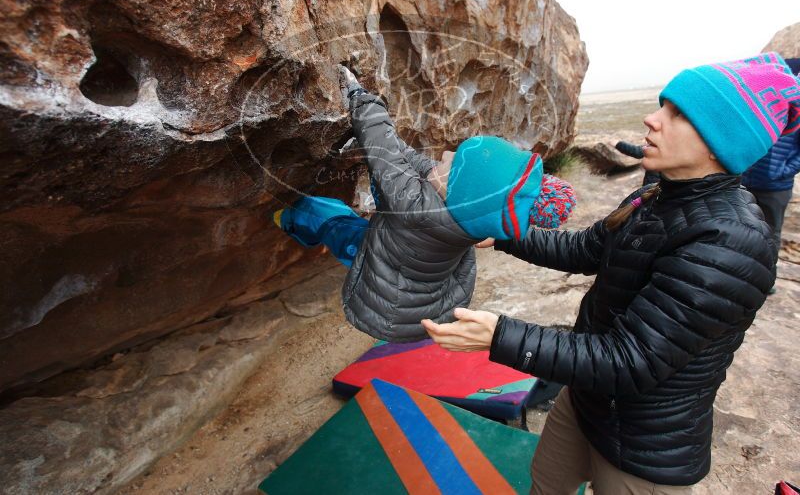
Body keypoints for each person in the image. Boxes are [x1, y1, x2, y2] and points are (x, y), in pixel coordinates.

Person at [423, 52, 800, 494]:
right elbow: (587, 247)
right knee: (545, 485)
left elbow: (630, 360)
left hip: (644, 448)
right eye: (663, 105)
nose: (652, 119)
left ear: (722, 140)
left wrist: (499, 336)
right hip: (586, 400)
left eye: (678, 114)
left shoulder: (731, 241)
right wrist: (505, 235)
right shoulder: (659, 195)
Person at [273, 66, 576, 343]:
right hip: (427, 296)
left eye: (452, 160)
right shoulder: (463, 209)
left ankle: (287, 217)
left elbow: (383, 148)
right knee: (395, 199)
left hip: (387, 306)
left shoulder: (416, 205)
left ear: (454, 188)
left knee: (331, 219)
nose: (444, 154)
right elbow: (410, 161)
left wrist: (358, 95)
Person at [742, 57, 800, 291]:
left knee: (771, 233)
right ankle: (745, 274)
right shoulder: (763, 103)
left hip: (777, 186)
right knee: (745, 230)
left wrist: (783, 171)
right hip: (747, 179)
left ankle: (767, 279)